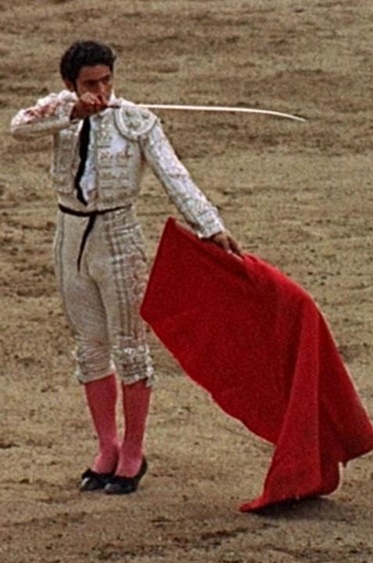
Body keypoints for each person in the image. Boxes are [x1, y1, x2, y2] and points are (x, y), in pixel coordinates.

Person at [9, 40, 242, 495]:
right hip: (70, 235)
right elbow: (19, 127)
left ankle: (133, 451)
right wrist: (73, 111)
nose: (101, 90)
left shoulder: (135, 120)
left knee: (131, 348)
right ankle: (106, 447)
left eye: (107, 80)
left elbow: (175, 175)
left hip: (118, 237)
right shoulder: (60, 110)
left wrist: (210, 226)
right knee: (90, 348)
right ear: (70, 83)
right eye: (90, 83)